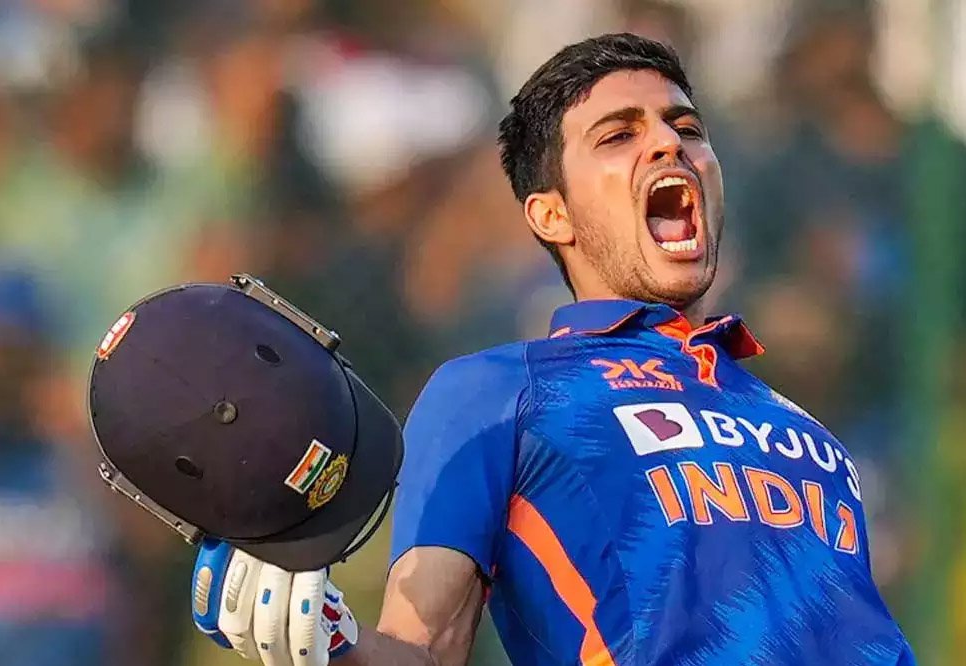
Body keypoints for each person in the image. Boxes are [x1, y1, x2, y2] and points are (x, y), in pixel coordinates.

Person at [189, 33, 915, 664]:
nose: (670, 144)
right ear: (551, 214)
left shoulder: (807, 430)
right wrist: (333, 640)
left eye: (687, 127)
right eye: (617, 135)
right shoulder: (496, 393)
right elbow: (424, 647)